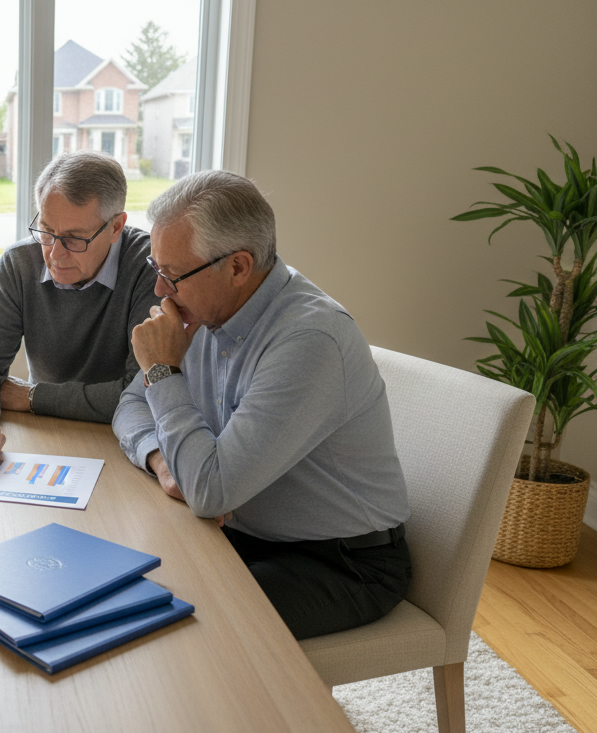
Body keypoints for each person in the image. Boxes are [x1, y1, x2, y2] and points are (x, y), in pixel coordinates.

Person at [113, 169, 411, 640]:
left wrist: (162, 371)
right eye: (157, 270)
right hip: (242, 533)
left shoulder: (309, 340)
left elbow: (211, 491)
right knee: (118, 583)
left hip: (341, 562)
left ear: (237, 266)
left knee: (178, 626)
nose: (160, 292)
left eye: (172, 276)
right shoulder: (205, 312)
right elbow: (132, 404)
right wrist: (162, 462)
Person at [0, 150, 159, 466]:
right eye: (46, 231)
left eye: (75, 239)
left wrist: (32, 398)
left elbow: (139, 395)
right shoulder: (20, 263)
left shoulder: (150, 269)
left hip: (130, 442)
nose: (54, 254)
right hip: (45, 433)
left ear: (116, 227)